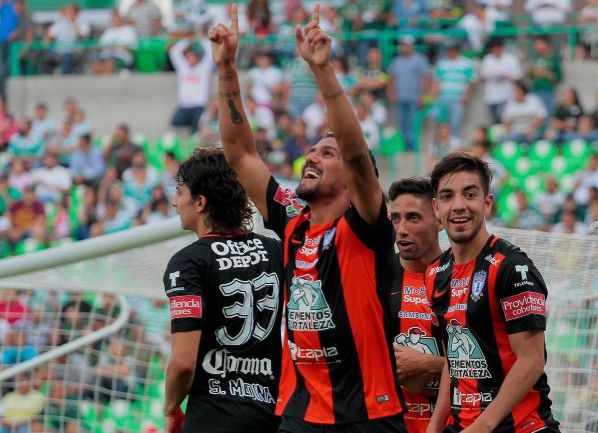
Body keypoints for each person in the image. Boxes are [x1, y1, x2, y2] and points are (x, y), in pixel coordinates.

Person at [209, 4, 406, 432]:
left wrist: (322, 71)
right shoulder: (293, 219)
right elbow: (241, 152)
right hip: (301, 412)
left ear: (354, 179)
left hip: (370, 415)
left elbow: (356, 154)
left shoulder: (366, 225)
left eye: (326, 153)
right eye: (312, 150)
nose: (311, 157)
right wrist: (226, 67)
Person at [424, 152, 559, 433]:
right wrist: (434, 427)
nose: (459, 206)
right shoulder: (435, 273)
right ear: (436, 208)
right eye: (448, 197)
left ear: (487, 204)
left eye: (469, 194)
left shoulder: (514, 268)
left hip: (520, 427)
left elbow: (531, 360)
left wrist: (482, 427)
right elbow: (455, 360)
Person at [163, 148, 283, 433]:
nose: (174, 203)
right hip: (272, 416)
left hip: (212, 418)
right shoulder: (275, 250)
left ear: (200, 202)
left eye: (180, 193)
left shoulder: (188, 263)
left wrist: (170, 409)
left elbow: (182, 363)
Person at [388, 177, 445, 433]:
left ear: (439, 220)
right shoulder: (376, 275)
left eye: (413, 218)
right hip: (388, 423)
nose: (401, 229)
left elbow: (495, 364)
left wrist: (430, 365)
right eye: (396, 218)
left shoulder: (462, 276)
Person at [169, 37, 214, 133]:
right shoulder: (183, 68)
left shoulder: (203, 68)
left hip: (198, 106)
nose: (190, 59)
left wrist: (202, 40)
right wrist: (186, 40)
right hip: (184, 105)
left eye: (193, 56)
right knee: (174, 122)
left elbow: (210, 54)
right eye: (188, 57)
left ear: (197, 58)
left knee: (197, 125)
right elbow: (173, 52)